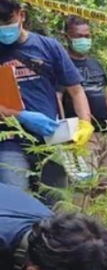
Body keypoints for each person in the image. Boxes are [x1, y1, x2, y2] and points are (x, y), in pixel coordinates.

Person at [0, 0, 94, 205]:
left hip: (53, 137)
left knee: (56, 202)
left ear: (21, 15)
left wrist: (85, 123)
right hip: (9, 141)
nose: (2, 27)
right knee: (17, 202)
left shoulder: (48, 46)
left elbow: (76, 90)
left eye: (6, 20)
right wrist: (20, 116)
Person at [58, 15, 107, 194]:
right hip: (81, 135)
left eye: (87, 36)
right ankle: (82, 221)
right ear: (67, 37)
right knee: (84, 185)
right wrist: (64, 135)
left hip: (106, 132)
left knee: (104, 184)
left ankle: (100, 221)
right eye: (79, 36)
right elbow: (58, 99)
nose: (84, 40)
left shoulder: (96, 64)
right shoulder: (62, 65)